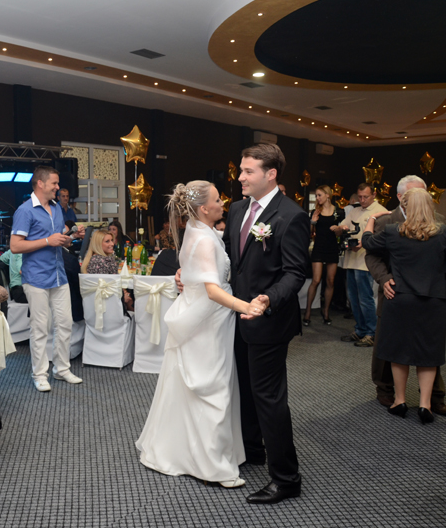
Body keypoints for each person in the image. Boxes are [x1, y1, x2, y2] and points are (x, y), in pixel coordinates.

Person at [137, 181, 266, 488]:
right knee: (213, 388)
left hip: (204, 317)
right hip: (209, 319)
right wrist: (246, 306)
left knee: (198, 386)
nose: (223, 204)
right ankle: (212, 466)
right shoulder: (205, 239)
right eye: (218, 200)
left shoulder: (197, 231)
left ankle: (191, 451)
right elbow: (212, 291)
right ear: (204, 208)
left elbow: (197, 272)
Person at [219, 143, 308, 504]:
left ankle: (286, 478)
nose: (240, 177)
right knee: (244, 388)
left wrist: (268, 298)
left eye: (248, 171)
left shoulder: (291, 215)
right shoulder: (238, 209)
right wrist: (191, 274)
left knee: (269, 398)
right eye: (241, 170)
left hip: (269, 321)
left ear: (270, 174)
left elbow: (295, 272)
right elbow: (230, 259)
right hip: (236, 316)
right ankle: (252, 449)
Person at [362, 188, 446, 424]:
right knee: (428, 355)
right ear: (430, 206)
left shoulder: (393, 231)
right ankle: (425, 405)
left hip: (399, 300)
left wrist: (372, 218)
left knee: (398, 353)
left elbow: (367, 242)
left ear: (406, 206)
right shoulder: (443, 233)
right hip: (433, 302)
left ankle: (399, 401)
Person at [11, 165, 86, 392]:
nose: (58, 187)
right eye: (54, 183)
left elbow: (59, 238)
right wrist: (47, 241)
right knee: (40, 328)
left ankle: (61, 369)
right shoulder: (25, 211)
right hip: (35, 277)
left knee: (65, 324)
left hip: (58, 274)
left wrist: (71, 236)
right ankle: (39, 374)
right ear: (40, 183)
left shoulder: (56, 208)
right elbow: (15, 246)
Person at [333, 183, 387, 347]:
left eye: (366, 197)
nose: (362, 200)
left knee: (365, 299)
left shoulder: (380, 211)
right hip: (351, 260)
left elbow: (382, 238)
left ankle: (371, 332)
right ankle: (360, 329)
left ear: (374, 195)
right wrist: (341, 228)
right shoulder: (355, 211)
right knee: (353, 299)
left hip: (366, 262)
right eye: (360, 197)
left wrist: (364, 243)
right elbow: (341, 227)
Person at [303, 185, 343, 326]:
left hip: (332, 248)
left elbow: (341, 233)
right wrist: (312, 222)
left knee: (330, 281)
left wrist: (338, 229)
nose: (317, 198)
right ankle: (308, 312)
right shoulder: (315, 211)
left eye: (319, 195)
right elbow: (310, 233)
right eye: (316, 195)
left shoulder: (338, 211)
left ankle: (326, 311)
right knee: (316, 280)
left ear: (327, 195)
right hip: (319, 248)